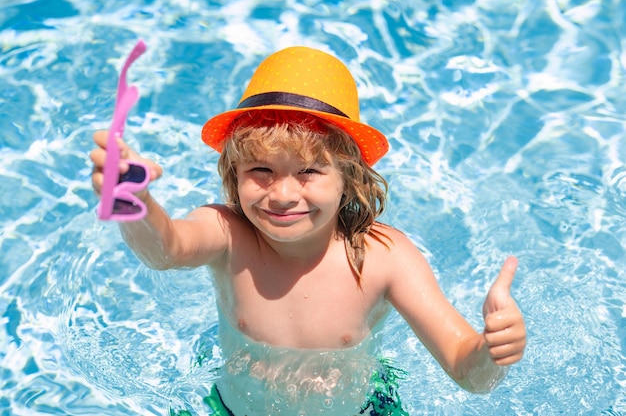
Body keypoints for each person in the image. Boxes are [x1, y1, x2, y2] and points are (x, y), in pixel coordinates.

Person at [90, 46, 526, 415]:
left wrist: (492, 352)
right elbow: (166, 249)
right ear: (233, 174)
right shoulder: (228, 234)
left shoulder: (383, 258)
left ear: (349, 179)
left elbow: (466, 370)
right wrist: (136, 204)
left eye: (309, 171)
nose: (281, 194)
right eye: (260, 169)